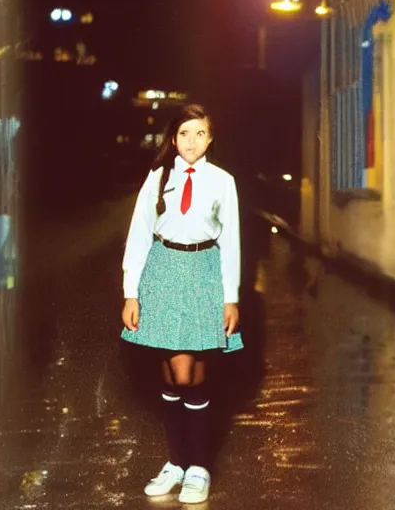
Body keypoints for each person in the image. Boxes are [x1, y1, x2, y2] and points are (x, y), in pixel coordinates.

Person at [120, 103, 243, 504]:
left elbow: (232, 243)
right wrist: (131, 292)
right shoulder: (158, 178)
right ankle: (177, 462)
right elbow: (139, 234)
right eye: (185, 133)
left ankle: (198, 466)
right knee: (172, 377)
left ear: (211, 139)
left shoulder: (223, 182)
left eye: (200, 134)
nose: (192, 141)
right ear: (174, 138)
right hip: (163, 271)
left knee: (190, 375)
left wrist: (231, 297)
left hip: (204, 272)